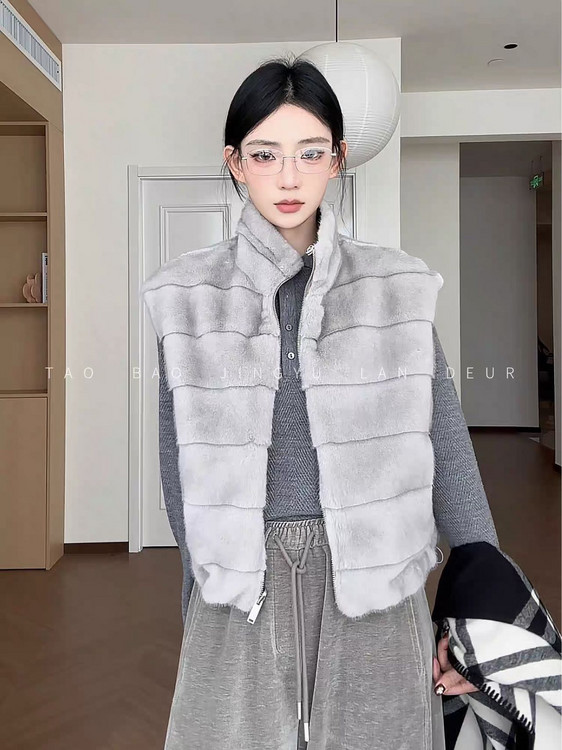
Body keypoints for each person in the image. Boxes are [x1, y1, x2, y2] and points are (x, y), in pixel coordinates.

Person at [141, 53, 502, 750]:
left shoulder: (395, 289)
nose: (289, 177)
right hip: (243, 587)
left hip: (375, 582)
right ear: (235, 162)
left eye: (310, 153)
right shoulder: (186, 299)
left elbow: (449, 450)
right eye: (265, 154)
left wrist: (479, 621)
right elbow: (179, 474)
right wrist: (198, 596)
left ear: (337, 159)